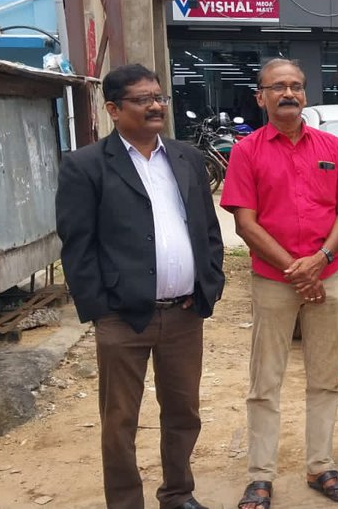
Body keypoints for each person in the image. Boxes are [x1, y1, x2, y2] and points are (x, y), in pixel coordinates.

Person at [56, 64, 224, 509]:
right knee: (120, 421)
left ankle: (177, 494)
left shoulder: (186, 157)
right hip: (122, 319)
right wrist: (100, 309)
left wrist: (210, 282)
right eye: (142, 99)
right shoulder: (86, 165)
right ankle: (126, 503)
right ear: (113, 108)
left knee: (183, 414)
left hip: (185, 314)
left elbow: (208, 229)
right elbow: (77, 245)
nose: (155, 106)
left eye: (159, 97)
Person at [221, 59, 338, 507]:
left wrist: (319, 260)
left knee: (325, 378)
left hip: (328, 272)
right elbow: (245, 223)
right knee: (265, 381)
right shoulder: (246, 152)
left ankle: (320, 465)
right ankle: (260, 475)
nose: (289, 93)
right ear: (259, 96)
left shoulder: (331, 146)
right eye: (278, 86)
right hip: (274, 280)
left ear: (305, 94)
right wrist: (295, 270)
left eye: (296, 86)